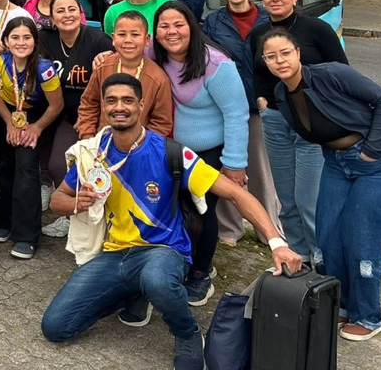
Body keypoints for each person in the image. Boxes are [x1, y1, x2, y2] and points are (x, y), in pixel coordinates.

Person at [41, 73, 301, 369]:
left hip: (163, 251)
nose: (119, 107)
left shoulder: (169, 152)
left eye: (128, 100)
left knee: (156, 278)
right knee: (56, 327)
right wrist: (79, 201)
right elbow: (57, 200)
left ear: (141, 105)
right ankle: (133, 290)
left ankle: (187, 332)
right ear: (103, 106)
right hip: (115, 254)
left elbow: (236, 194)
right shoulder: (93, 154)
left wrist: (276, 243)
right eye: (111, 101)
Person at [261, 29, 381, 341]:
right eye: (271, 56)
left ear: (298, 53)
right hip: (335, 163)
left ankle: (368, 316)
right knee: (328, 240)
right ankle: (342, 305)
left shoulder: (331, 73)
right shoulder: (281, 93)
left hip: (380, 166)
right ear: (265, 62)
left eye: (285, 53)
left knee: (363, 243)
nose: (280, 61)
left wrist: (373, 149)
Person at [153, 1, 250, 305]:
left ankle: (202, 272)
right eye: (164, 26)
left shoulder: (216, 64)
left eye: (179, 25)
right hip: (172, 152)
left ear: (192, 27)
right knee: (177, 210)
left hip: (210, 152)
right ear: (155, 33)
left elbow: (237, 114)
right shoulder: (155, 55)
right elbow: (125, 48)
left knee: (201, 211)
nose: (172, 32)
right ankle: (184, 260)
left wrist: (234, 164)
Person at [249, 0, 349, 263]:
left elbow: (342, 73)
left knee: (309, 201)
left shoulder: (317, 29)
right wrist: (262, 103)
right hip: (276, 121)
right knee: (287, 200)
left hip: (311, 124)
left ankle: (325, 261)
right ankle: (298, 257)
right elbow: (254, 70)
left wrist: (328, 110)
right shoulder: (259, 33)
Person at [202, 0, 280, 247]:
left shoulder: (268, 18)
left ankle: (268, 227)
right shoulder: (213, 22)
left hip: (260, 105)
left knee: (259, 169)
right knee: (225, 167)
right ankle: (229, 229)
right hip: (224, 105)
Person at [0, 17, 64, 259]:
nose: (21, 42)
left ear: (35, 40)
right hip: (6, 112)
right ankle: (3, 221)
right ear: (6, 41)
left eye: (27, 37)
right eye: (15, 37)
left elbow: (57, 105)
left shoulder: (43, 68)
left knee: (27, 170)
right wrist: (9, 121)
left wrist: (36, 128)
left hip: (37, 116)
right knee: (2, 166)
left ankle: (27, 236)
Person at [38, 0, 112, 237]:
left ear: (80, 13)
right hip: (65, 117)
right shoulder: (45, 39)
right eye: (60, 11)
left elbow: (121, 61)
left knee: (87, 166)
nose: (66, 15)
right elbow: (19, 47)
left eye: (72, 9)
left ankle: (92, 217)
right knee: (58, 165)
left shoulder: (97, 40)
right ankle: (70, 215)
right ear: (51, 16)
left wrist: (110, 57)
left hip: (97, 120)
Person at [77, 10, 174, 139]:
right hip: (100, 144)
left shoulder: (158, 78)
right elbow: (89, 105)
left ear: (147, 39)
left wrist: (141, 146)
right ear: (113, 38)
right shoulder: (103, 66)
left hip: (138, 148)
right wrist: (88, 138)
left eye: (135, 34)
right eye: (122, 34)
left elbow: (162, 122)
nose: (128, 40)